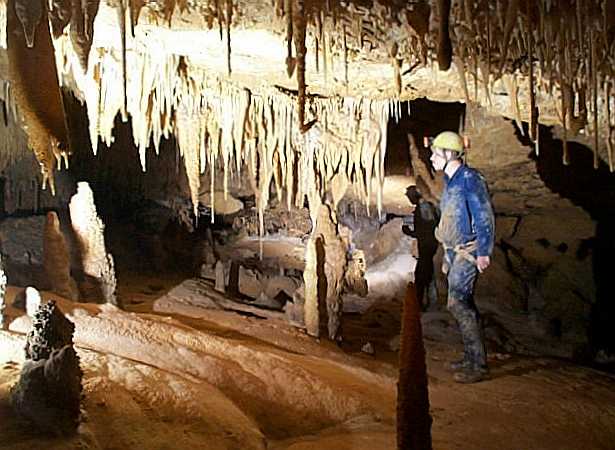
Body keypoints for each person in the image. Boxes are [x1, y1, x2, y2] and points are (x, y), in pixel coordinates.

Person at [429, 131, 495, 384]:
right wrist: (447, 257)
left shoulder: (469, 179)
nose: (432, 158)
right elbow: (451, 222)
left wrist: (484, 252)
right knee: (460, 302)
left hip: (469, 251)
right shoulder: (451, 182)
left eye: (435, 154)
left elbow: (483, 215)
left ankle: (478, 364)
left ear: (449, 154)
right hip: (456, 251)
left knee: (458, 303)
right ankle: (471, 357)